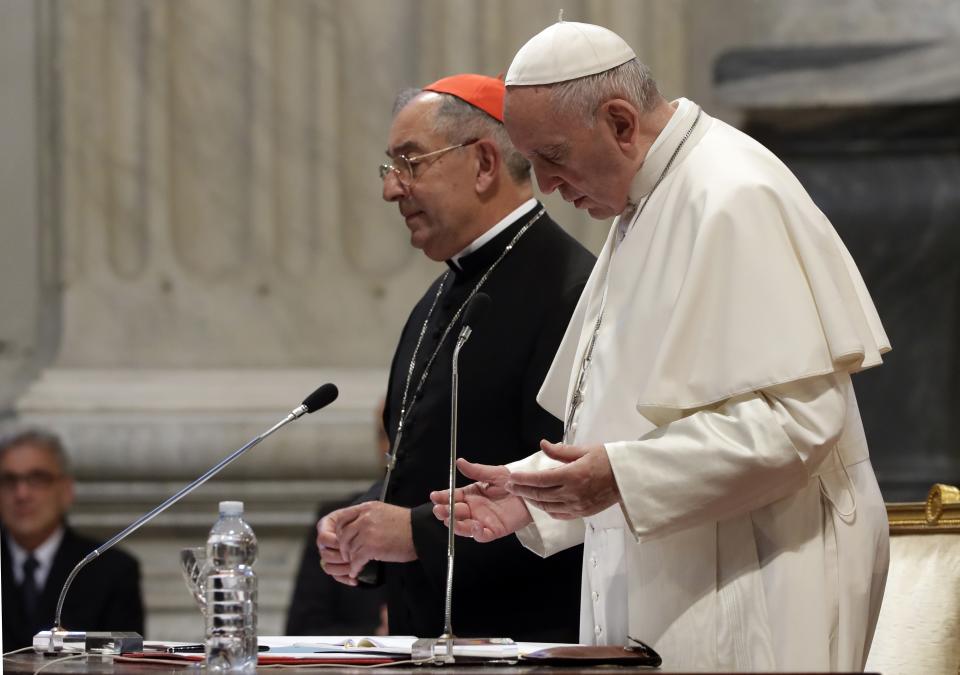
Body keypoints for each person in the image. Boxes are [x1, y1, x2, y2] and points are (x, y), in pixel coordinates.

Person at [431, 21, 891, 672]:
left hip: (763, 574)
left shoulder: (732, 196)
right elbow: (633, 422)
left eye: (555, 158)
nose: (551, 187)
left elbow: (797, 424)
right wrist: (537, 494)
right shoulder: (644, 203)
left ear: (620, 121)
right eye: (535, 166)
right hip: (688, 573)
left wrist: (618, 476)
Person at [315, 73, 595, 641]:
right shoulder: (440, 295)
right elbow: (424, 462)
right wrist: (364, 528)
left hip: (528, 642)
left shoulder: (570, 292)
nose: (391, 189)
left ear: (485, 163)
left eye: (410, 162)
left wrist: (414, 534)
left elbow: (568, 492)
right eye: (390, 167)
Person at [1, 429, 144, 650]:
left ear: (66, 490)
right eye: (9, 480)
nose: (22, 494)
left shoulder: (111, 570)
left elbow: (126, 660)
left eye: (37, 479)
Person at [285, 402, 389, 636]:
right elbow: (302, 629)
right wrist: (376, 636)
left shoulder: (461, 519)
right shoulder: (337, 519)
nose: (392, 446)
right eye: (384, 434)